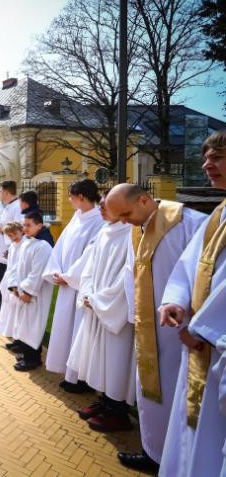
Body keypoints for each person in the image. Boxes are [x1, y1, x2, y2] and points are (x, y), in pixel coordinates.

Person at [104, 183, 206, 472]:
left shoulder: (191, 224)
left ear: (144, 200)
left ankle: (179, 462)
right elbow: (131, 273)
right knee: (150, 394)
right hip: (149, 328)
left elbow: (200, 276)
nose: (124, 222)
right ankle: (153, 452)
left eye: (125, 214)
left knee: (179, 394)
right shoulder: (136, 228)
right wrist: (135, 316)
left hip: (182, 331)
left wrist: (195, 321)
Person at [158, 131, 226, 477]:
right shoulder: (219, 214)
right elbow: (189, 265)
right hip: (202, 340)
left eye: (217, 157)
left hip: (215, 343)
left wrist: (201, 329)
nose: (206, 165)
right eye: (205, 157)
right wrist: (176, 300)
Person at [68, 194, 135, 432]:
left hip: (114, 310)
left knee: (116, 359)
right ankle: (105, 401)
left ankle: (118, 411)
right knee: (98, 357)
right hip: (95, 305)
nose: (101, 208)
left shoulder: (132, 234)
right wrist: (87, 293)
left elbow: (128, 277)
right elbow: (89, 268)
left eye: (106, 205)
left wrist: (100, 300)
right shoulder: (105, 231)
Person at [43, 180, 104, 394]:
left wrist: (69, 276)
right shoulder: (77, 217)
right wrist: (56, 271)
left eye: (70, 196)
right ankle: (68, 372)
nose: (68, 200)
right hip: (66, 284)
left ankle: (80, 378)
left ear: (81, 196)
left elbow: (91, 255)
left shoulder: (99, 221)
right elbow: (60, 247)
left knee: (79, 331)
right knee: (65, 328)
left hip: (81, 286)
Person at [9, 212, 55, 371]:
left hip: (34, 295)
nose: (25, 228)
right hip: (22, 291)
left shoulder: (43, 247)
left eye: (28, 225)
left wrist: (28, 292)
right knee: (24, 325)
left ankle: (33, 360)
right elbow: (18, 267)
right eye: (24, 225)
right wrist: (15, 286)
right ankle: (27, 355)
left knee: (33, 326)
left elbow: (37, 273)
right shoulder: (27, 242)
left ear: (39, 225)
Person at [0, 181, 21, 318]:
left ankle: (3, 313)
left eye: (1, 191)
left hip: (8, 250)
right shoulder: (7, 207)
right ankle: (0, 311)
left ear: (7, 192)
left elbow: (18, 229)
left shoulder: (17, 207)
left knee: (5, 282)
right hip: (1, 249)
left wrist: (3, 231)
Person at [0, 221, 24, 340]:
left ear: (21, 231)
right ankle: (8, 331)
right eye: (10, 236)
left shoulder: (25, 245)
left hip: (18, 280)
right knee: (8, 306)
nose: (13, 238)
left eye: (15, 234)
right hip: (10, 277)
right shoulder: (13, 245)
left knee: (16, 308)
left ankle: (16, 335)